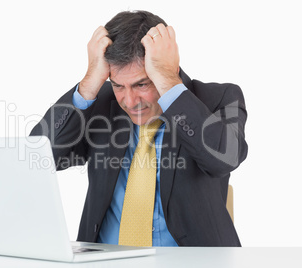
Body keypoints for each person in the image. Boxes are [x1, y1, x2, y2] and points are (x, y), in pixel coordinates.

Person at [30, 10, 247, 247]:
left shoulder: (218, 98)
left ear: (169, 67)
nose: (130, 101)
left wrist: (168, 83)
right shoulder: (102, 104)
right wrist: (90, 83)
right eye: (118, 85)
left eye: (141, 84)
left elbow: (224, 159)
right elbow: (40, 157)